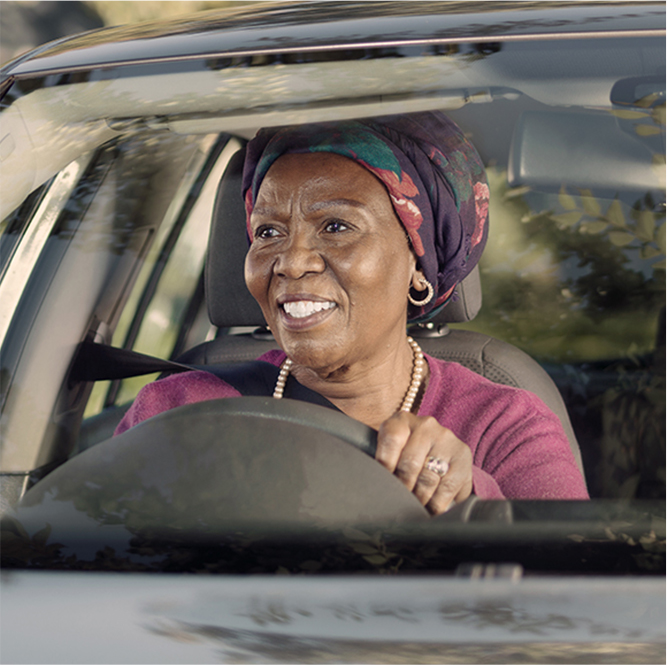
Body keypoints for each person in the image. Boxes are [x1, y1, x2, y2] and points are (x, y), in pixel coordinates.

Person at [115, 112, 589, 514]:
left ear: (418, 268)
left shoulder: (504, 425)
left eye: (337, 226)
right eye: (268, 233)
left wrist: (468, 500)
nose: (292, 261)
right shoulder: (174, 412)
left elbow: (574, 598)